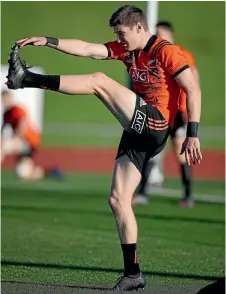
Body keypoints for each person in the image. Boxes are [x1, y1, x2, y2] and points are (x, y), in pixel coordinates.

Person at [6, 5, 202, 291]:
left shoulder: (165, 50)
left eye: (122, 34)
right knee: (118, 200)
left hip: (156, 123)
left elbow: (192, 88)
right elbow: (86, 48)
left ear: (139, 27)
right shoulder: (128, 49)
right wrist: (48, 40)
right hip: (137, 129)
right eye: (116, 35)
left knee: (98, 81)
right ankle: (133, 273)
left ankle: (28, 79)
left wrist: (193, 133)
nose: (119, 40)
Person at [133, 21, 200, 208]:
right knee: (149, 150)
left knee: (181, 152)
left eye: (159, 32)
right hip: (159, 111)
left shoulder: (183, 55)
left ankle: (187, 195)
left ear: (169, 34)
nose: (156, 35)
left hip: (179, 113)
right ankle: (142, 193)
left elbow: (193, 85)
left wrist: (187, 111)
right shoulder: (152, 55)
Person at [1, 90, 63, 181]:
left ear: (10, 98)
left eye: (6, 99)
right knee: (23, 174)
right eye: (3, 99)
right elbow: (2, 131)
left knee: (3, 146)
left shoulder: (17, 110)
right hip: (22, 143)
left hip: (29, 141)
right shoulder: (6, 114)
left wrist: (12, 140)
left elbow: (22, 129)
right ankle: (51, 171)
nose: (5, 101)